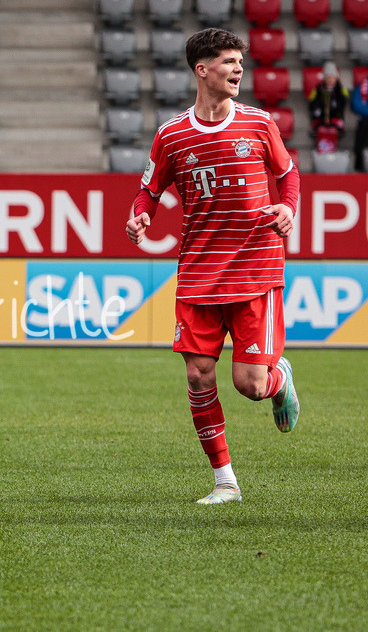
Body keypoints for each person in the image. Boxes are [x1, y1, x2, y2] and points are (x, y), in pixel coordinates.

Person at [125, 28, 302, 506]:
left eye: (240, 61)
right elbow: (149, 190)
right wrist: (141, 215)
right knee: (198, 375)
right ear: (202, 70)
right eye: (228, 61)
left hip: (254, 269)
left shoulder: (259, 123)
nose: (238, 68)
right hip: (198, 274)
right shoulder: (171, 134)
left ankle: (278, 379)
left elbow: (287, 174)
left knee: (250, 385)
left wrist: (288, 208)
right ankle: (226, 482)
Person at [308, 61, 348, 152]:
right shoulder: (317, 90)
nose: (330, 80)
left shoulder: (341, 90)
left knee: (334, 129)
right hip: (320, 119)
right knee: (321, 128)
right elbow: (312, 105)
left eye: (332, 77)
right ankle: (322, 150)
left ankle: (331, 150)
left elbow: (342, 104)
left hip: (335, 119)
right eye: (328, 77)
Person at [351, 72, 368, 171]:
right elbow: (356, 105)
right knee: (364, 125)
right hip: (364, 121)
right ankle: (359, 166)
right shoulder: (360, 87)